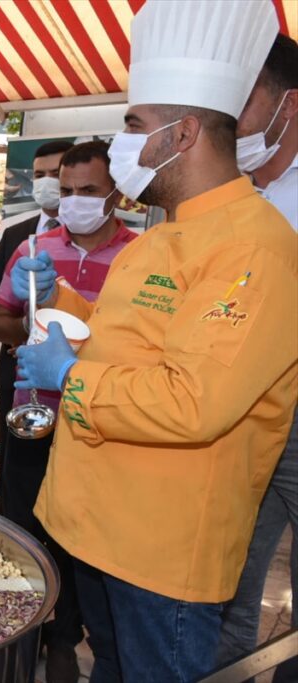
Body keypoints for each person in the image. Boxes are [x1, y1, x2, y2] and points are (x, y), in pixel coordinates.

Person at [14, 3, 296, 680]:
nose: (123, 142)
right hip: (95, 523)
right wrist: (60, 299)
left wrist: (70, 376)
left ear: (184, 133)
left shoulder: (256, 249)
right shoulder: (165, 233)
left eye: (134, 125)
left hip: (161, 548)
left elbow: (193, 401)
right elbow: (128, 335)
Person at [0, 140, 137, 682]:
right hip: (34, 415)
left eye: (89, 191)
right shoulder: (35, 247)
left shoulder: (139, 256)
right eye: (68, 190)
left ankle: (65, 638)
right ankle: (20, 635)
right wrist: (30, 325)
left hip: (98, 419)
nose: (74, 201)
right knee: (23, 527)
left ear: (117, 193)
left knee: (82, 538)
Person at [218, 32, 298, 681]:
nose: (228, 117)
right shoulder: (229, 193)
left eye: (242, 100)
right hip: (235, 407)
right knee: (230, 579)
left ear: (288, 104)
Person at [0, 139, 73, 512]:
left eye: (56, 174)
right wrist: (26, 330)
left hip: (77, 383)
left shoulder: (112, 244)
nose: (47, 182)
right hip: (21, 378)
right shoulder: (17, 235)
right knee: (16, 483)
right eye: (39, 175)